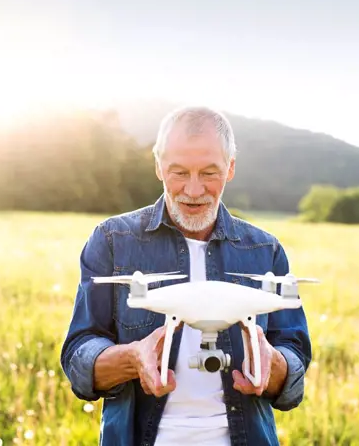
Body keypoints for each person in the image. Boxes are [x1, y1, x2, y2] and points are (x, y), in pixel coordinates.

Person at [60, 106, 311, 445]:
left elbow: (294, 360)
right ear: (158, 166)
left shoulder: (265, 250)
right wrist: (133, 359)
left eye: (209, 173)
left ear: (231, 168)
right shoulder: (112, 240)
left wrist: (273, 365)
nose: (193, 191)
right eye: (179, 172)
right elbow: (78, 356)